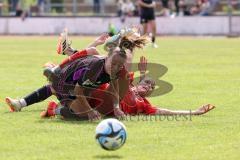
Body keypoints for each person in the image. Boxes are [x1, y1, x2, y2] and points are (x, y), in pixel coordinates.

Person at [6, 27, 150, 121]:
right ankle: (55, 107)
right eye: (114, 63)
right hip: (67, 83)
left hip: (80, 80)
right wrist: (89, 110)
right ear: (108, 57)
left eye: (120, 65)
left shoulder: (118, 68)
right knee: (83, 114)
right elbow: (78, 91)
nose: (117, 67)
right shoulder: (95, 69)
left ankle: (22, 103)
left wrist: (117, 108)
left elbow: (115, 90)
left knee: (91, 55)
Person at [41, 55, 215, 119]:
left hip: (98, 107)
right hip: (92, 92)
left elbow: (166, 112)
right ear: (139, 81)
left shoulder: (143, 105)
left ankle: (54, 109)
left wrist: (194, 112)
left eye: (151, 87)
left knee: (78, 115)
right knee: (81, 77)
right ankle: (58, 70)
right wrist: (142, 72)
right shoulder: (128, 82)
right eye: (146, 82)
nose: (148, 87)